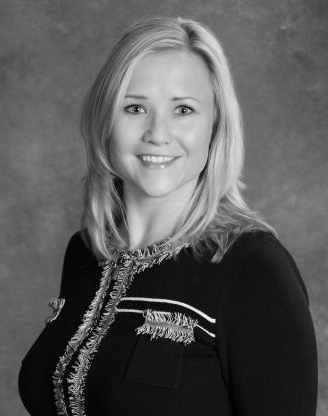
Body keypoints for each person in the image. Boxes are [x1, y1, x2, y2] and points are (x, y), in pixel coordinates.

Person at [18, 15, 318, 416]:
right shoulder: (85, 252)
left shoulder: (252, 267)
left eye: (183, 109)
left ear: (215, 126)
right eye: (135, 107)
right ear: (105, 119)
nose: (158, 133)